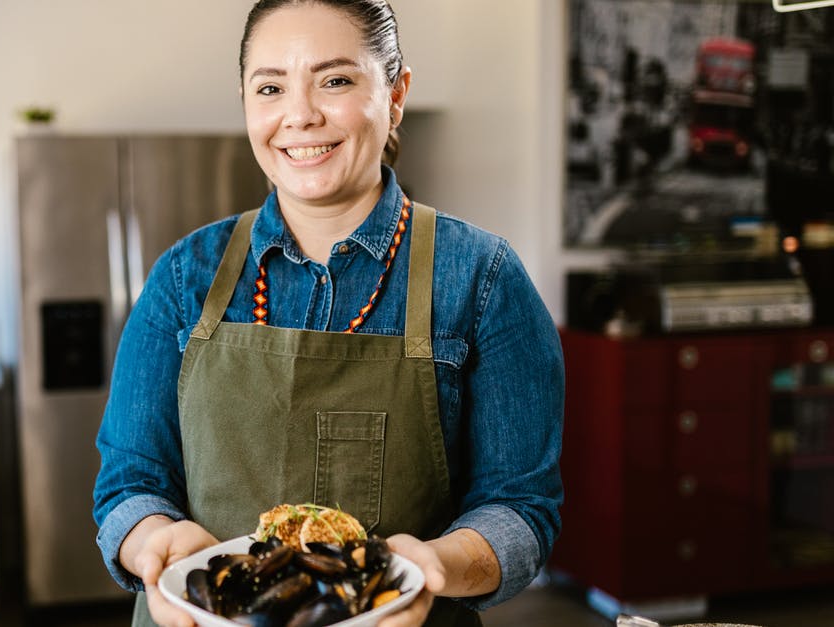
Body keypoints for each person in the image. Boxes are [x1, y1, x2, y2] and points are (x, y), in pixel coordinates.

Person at [92, 1, 564, 625]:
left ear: (396, 95)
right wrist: (155, 540)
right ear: (245, 103)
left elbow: (521, 506)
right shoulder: (183, 277)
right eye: (270, 87)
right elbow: (128, 483)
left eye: (335, 80)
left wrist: (438, 565)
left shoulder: (484, 280)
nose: (300, 115)